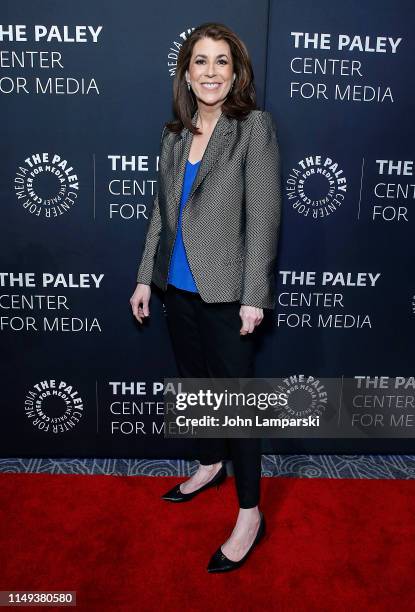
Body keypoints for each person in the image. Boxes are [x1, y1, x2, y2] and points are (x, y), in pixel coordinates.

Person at [130, 22, 281, 573]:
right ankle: (209, 461)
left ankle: (249, 514)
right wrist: (147, 277)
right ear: (187, 73)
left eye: (222, 62)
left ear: (236, 72)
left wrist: (253, 296)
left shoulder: (253, 129)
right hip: (178, 293)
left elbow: (263, 217)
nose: (211, 72)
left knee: (238, 407)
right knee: (196, 387)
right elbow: (161, 214)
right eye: (201, 61)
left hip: (226, 294)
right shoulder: (174, 135)